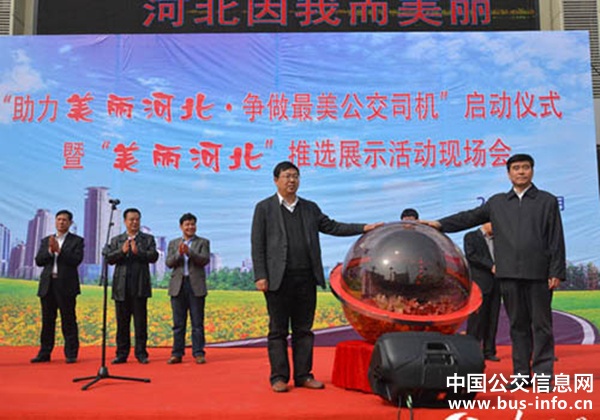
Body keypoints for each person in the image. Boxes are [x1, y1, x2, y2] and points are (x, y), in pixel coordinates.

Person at [422, 154, 565, 388]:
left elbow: (556, 237)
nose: (521, 172)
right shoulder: (498, 202)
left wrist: (556, 271)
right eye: (516, 168)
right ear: (509, 174)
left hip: (539, 273)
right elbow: (469, 217)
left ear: (532, 171)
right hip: (508, 274)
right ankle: (521, 375)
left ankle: (543, 375)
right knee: (517, 326)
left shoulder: (546, 201)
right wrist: (440, 224)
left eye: (525, 167)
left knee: (542, 325)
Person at [251, 161, 382, 393]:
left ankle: (304, 375)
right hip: (278, 279)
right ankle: (279, 377)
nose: (292, 180)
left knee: (304, 330)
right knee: (278, 330)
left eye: (295, 176)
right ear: (276, 180)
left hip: (306, 277)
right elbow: (257, 244)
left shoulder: (310, 208)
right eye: (287, 176)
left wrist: (363, 228)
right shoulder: (264, 208)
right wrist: (260, 275)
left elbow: (332, 227)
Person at [106, 208, 158, 364]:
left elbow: (154, 256)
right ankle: (121, 354)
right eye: (131, 219)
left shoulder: (147, 239)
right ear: (125, 221)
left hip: (140, 286)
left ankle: (141, 353)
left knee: (140, 323)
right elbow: (109, 259)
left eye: (137, 219)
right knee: (122, 323)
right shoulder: (117, 240)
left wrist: (138, 252)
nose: (134, 222)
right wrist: (121, 251)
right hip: (121, 288)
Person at [32, 210, 84, 364]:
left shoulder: (77, 241)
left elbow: (76, 260)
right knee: (47, 321)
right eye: (59, 219)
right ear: (55, 222)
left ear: (70, 223)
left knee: (68, 320)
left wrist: (59, 251)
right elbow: (39, 261)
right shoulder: (46, 240)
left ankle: (71, 353)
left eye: (64, 220)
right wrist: (50, 251)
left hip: (66, 286)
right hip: (48, 285)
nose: (61, 222)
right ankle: (44, 353)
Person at [166, 213, 210, 365]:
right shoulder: (173, 243)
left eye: (193, 224)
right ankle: (177, 353)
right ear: (181, 227)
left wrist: (189, 252)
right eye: (187, 224)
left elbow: (204, 260)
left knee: (197, 323)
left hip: (195, 285)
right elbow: (169, 263)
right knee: (178, 323)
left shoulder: (203, 242)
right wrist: (179, 253)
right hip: (178, 285)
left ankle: (198, 353)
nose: (190, 227)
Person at [464, 222, 501, 362]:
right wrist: (491, 266)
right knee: (477, 320)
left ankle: (489, 351)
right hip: (480, 284)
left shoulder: (500, 239)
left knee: (493, 318)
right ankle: (472, 350)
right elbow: (472, 256)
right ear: (486, 222)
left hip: (497, 283)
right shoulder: (471, 237)